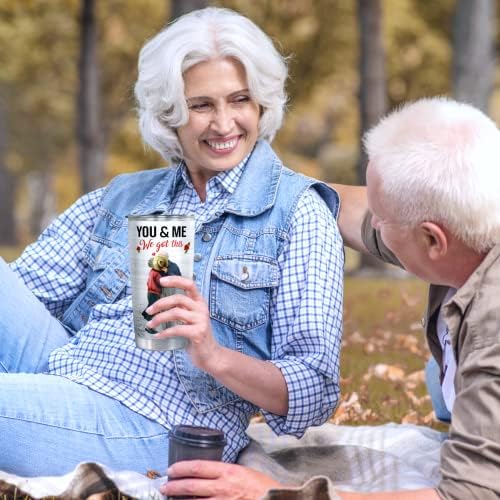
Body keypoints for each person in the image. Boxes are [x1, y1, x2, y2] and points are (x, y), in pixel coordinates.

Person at [0, 7, 344, 476]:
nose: (224, 124)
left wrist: (213, 354)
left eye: (239, 99)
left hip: (157, 423)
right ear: (170, 114)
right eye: (202, 105)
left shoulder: (297, 212)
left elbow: (316, 390)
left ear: (261, 104)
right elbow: (18, 298)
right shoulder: (130, 198)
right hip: (69, 371)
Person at [161, 97, 500, 499]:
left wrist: (283, 495)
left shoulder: (489, 333)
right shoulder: (473, 213)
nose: (373, 223)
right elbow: (358, 214)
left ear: (432, 239)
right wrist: (278, 192)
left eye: (383, 217)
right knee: (441, 378)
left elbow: (470, 495)